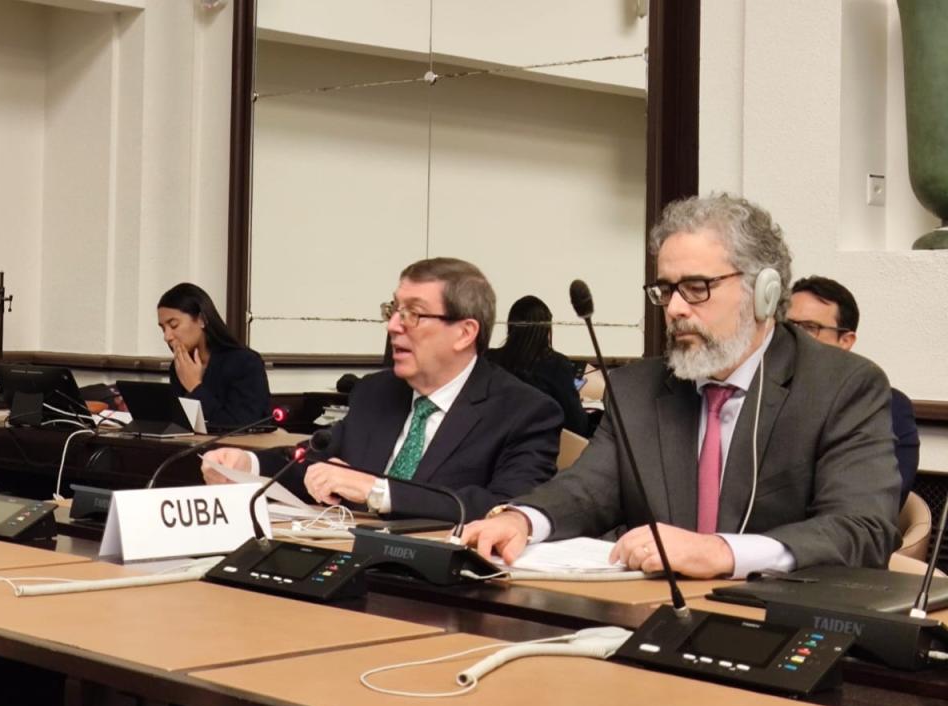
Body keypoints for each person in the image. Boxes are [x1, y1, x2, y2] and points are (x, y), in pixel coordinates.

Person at [462, 193, 901, 578]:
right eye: (665, 289)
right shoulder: (637, 387)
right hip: (646, 617)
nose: (673, 309)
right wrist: (521, 519)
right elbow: (587, 489)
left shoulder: (842, 386)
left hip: (778, 628)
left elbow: (862, 529)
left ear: (763, 292)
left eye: (695, 288)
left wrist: (721, 552)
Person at [201, 257, 564, 522]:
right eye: (394, 309)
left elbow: (507, 508)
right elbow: (318, 462)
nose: (393, 326)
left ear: (465, 332)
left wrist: (377, 491)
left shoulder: (523, 411)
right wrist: (246, 466)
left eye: (413, 314)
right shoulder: (377, 392)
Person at [787, 276, 920, 504]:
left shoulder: (885, 405)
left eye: (810, 328)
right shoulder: (760, 395)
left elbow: (878, 503)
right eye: (787, 326)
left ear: (845, 340)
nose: (793, 337)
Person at [156, 283, 271, 428]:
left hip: (237, 448)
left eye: (173, 325)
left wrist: (195, 387)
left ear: (201, 320)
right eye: (162, 329)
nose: (167, 337)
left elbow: (241, 426)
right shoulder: (180, 365)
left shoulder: (245, 363)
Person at [487, 296, 590, 437]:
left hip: (491, 445)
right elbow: (577, 425)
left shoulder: (489, 359)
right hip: (538, 448)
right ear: (546, 329)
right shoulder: (556, 364)